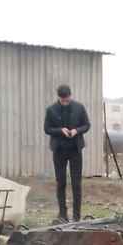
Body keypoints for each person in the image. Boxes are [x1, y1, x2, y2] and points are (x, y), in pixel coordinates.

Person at [43, 84, 90, 222]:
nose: (65, 103)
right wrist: (60, 130)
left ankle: (77, 215)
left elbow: (87, 125)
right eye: (62, 101)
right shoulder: (51, 110)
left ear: (70, 96)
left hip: (75, 149)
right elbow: (47, 128)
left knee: (76, 183)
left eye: (67, 100)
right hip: (59, 150)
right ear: (58, 97)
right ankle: (62, 214)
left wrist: (77, 130)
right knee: (61, 182)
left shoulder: (79, 107)